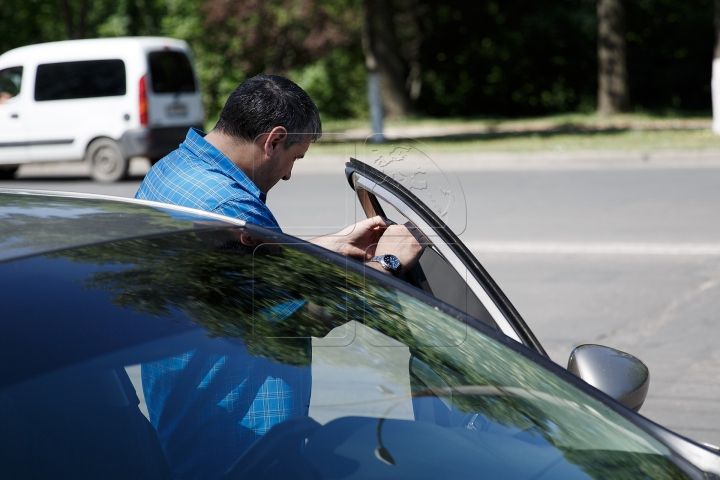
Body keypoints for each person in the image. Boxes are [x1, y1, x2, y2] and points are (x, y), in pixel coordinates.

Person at [135, 74, 425, 479]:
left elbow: (234, 276)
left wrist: (327, 244)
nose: (288, 174)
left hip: (185, 405)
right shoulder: (228, 208)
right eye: (295, 157)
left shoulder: (173, 170)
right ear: (273, 140)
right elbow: (306, 316)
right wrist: (388, 265)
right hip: (240, 437)